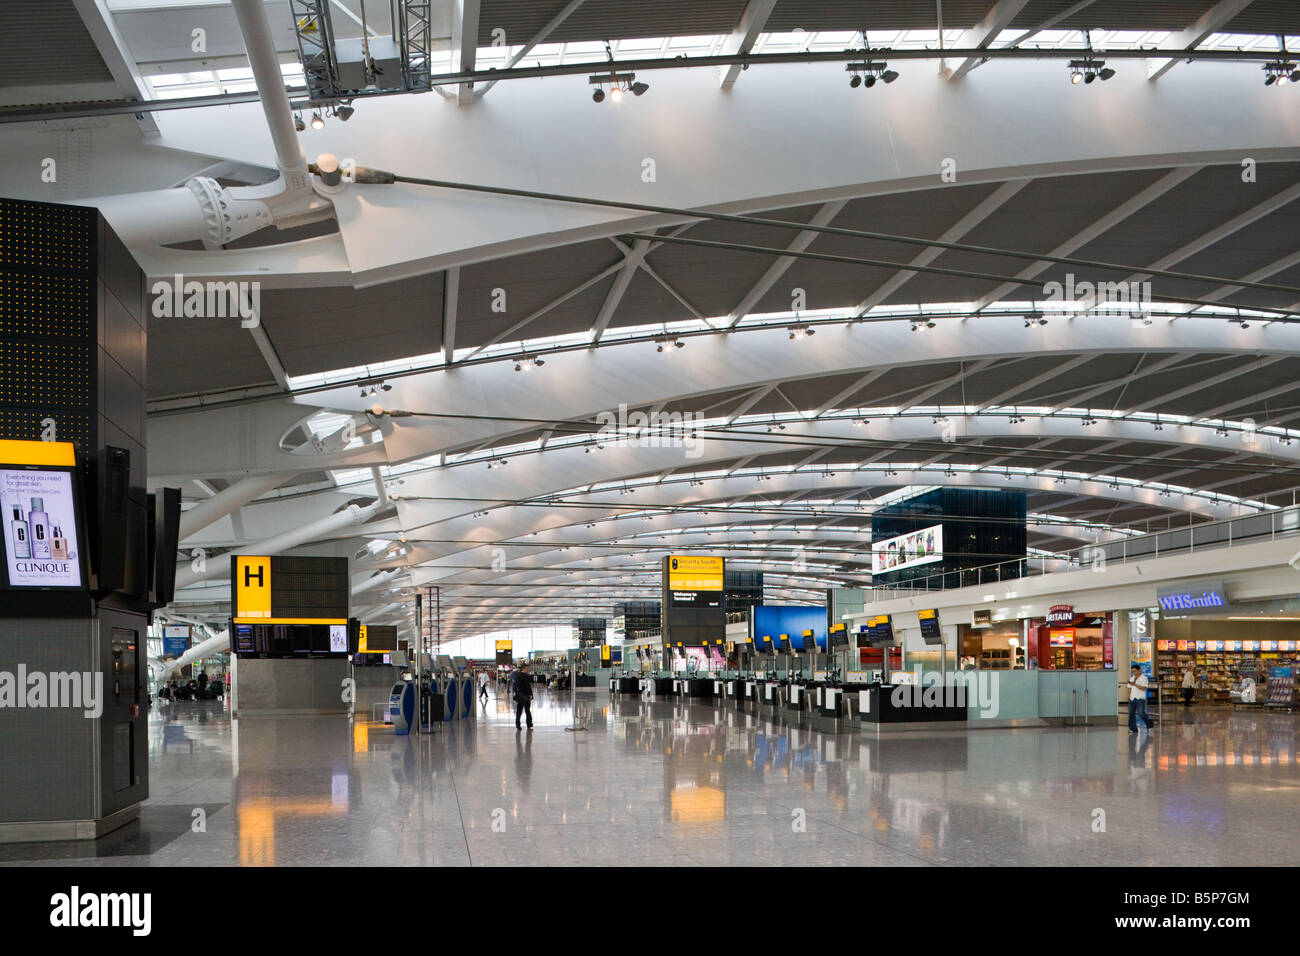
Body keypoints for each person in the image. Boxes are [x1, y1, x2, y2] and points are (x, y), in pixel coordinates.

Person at [1127, 664, 1155, 733]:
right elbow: (1129, 687)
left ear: (1139, 670)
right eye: (1132, 672)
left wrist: (1135, 684)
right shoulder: (1132, 678)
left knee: (1141, 713)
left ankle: (1150, 724)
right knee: (1131, 714)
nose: (1134, 673)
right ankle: (1133, 729)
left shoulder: (1144, 678)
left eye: (1135, 671)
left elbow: (1143, 688)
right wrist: (1129, 695)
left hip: (1140, 698)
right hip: (1132, 698)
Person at [513, 663, 534, 730]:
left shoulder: (517, 675)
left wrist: (516, 692)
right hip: (526, 695)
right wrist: (530, 694)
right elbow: (528, 686)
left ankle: (518, 724)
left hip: (519, 695)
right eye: (527, 668)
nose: (528, 669)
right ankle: (529, 724)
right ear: (524, 668)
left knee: (519, 710)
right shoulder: (526, 676)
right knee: (527, 710)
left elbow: (515, 685)